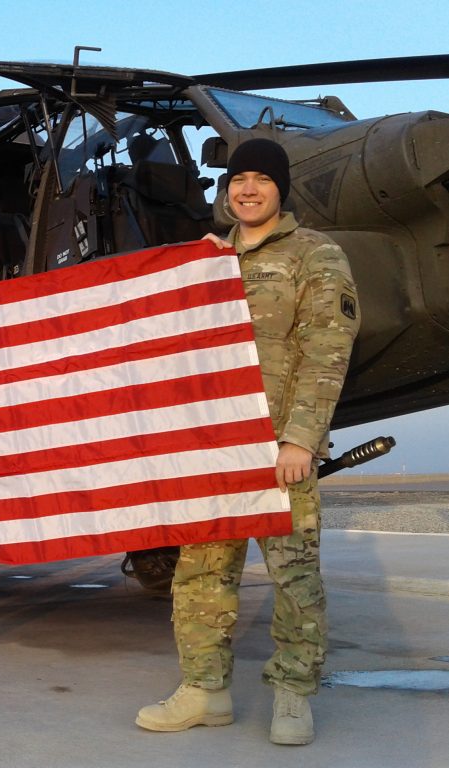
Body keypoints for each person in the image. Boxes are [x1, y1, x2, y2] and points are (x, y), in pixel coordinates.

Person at [135, 139, 360, 745]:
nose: (249, 189)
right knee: (200, 573)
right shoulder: (209, 260)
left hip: (280, 449)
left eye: (262, 178)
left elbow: (326, 351)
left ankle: (292, 693)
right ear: (226, 190)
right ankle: (204, 691)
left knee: (294, 577)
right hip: (214, 448)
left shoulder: (316, 255)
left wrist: (301, 440)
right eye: (238, 180)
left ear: (281, 188)